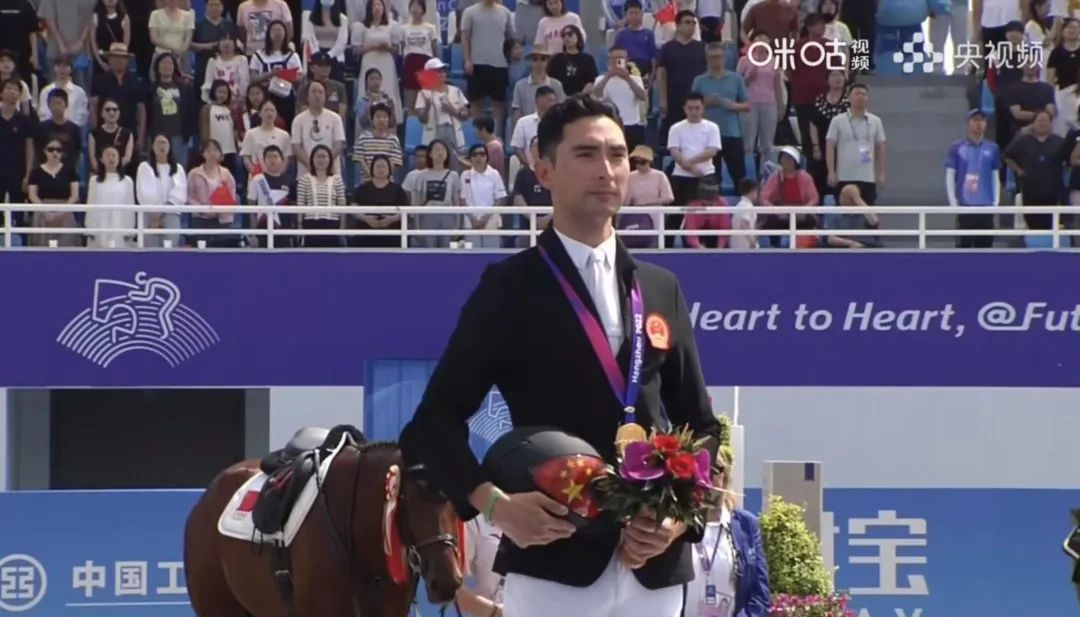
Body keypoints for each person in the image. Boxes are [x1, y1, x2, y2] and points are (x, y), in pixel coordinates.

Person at [399, 95, 720, 617]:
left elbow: (702, 428)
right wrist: (496, 506)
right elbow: (433, 422)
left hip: (656, 568)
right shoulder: (509, 288)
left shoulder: (662, 288)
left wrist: (677, 519)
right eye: (586, 154)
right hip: (553, 562)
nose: (607, 170)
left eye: (617, 155)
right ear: (543, 170)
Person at [682, 448, 770, 617]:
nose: (706, 476)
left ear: (725, 477)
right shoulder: (676, 524)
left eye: (714, 469)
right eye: (699, 467)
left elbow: (759, 594)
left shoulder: (745, 525)